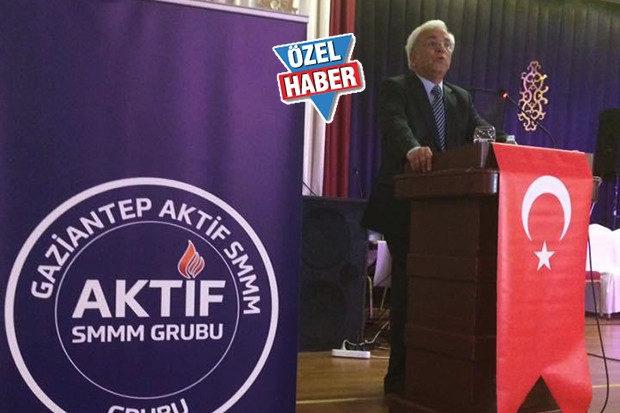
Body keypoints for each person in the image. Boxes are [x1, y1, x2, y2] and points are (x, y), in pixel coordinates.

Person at [362, 19, 504, 396]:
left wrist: (508, 145)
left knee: (447, 293)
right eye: (432, 43)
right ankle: (400, 379)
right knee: (411, 293)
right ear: (413, 57)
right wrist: (412, 149)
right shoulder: (397, 87)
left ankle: (439, 375)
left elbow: (482, 132)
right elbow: (395, 125)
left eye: (446, 45)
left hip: (452, 215)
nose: (442, 49)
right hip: (405, 209)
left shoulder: (460, 98)